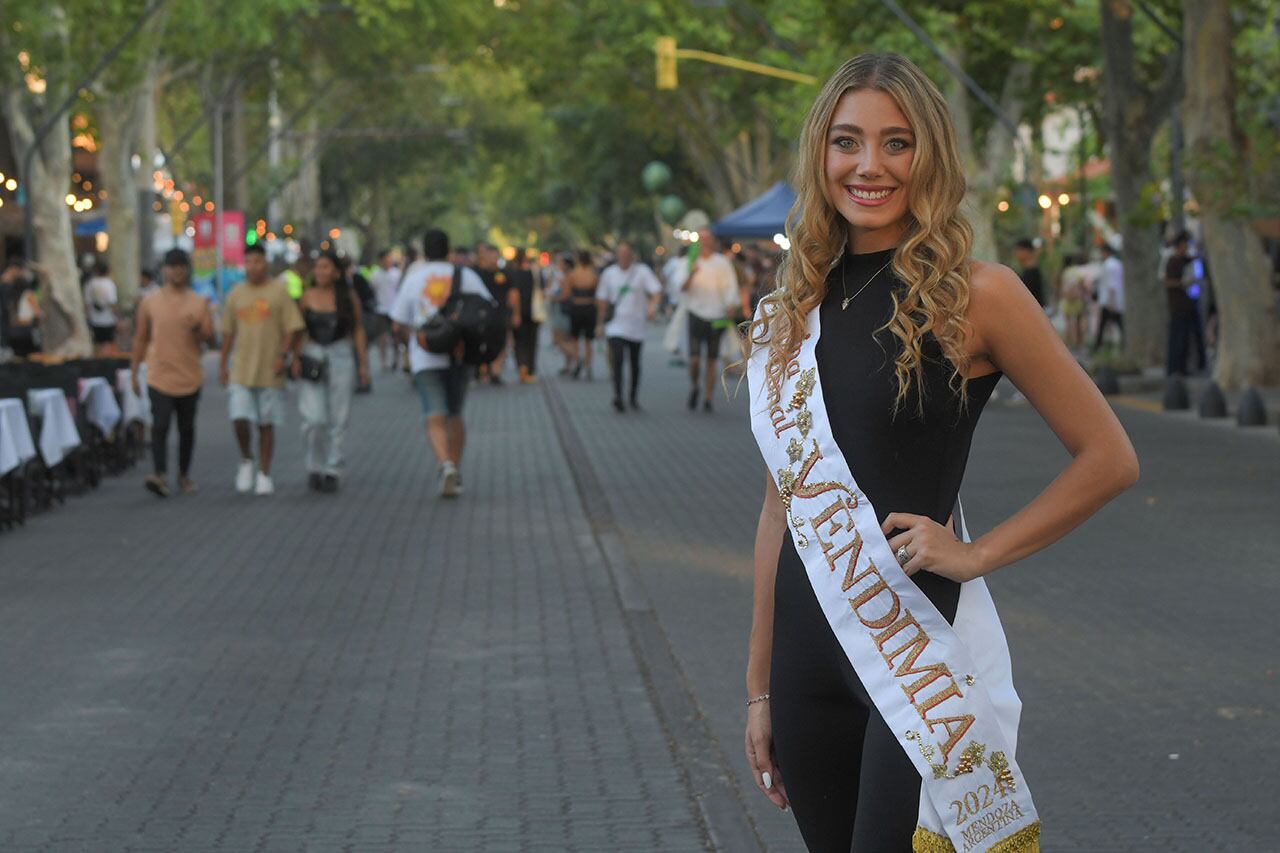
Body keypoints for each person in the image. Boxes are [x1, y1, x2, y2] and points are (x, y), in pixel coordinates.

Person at [742, 53, 1138, 852]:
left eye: (897, 142)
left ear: (931, 156)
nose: (870, 166)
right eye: (848, 141)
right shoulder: (794, 306)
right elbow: (781, 503)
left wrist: (976, 552)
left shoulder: (976, 294)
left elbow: (1107, 455)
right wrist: (758, 690)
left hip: (915, 654)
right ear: (821, 153)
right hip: (805, 660)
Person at [390, 228, 494, 498]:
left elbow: (397, 322)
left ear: (424, 252)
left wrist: (409, 343)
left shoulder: (414, 279)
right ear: (449, 251)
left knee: (434, 415)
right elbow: (489, 309)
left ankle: (444, 464)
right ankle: (455, 470)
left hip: (425, 355)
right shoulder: (466, 276)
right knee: (455, 414)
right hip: (459, 354)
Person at [218, 243, 305, 496]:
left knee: (267, 423)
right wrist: (223, 364)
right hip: (241, 369)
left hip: (270, 369)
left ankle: (265, 472)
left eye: (257, 261)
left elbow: (293, 328)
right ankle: (247, 459)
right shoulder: (235, 294)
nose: (252, 267)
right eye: (248, 262)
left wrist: (284, 355)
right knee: (239, 418)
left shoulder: (279, 292)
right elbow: (227, 332)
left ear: (265, 263)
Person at [131, 249, 215, 497]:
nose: (176, 271)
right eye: (172, 266)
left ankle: (184, 475)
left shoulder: (199, 302)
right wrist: (134, 371)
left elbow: (210, 338)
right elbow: (140, 339)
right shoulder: (149, 302)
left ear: (187, 270)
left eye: (181, 266)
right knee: (160, 424)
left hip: (189, 375)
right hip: (159, 374)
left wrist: (198, 329)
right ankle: (160, 474)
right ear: (164, 270)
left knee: (186, 428)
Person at [293, 249, 369, 493]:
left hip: (341, 355)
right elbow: (297, 330)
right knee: (313, 418)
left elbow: (357, 330)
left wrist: (363, 364)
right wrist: (294, 357)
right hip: (313, 354)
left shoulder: (348, 297)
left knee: (339, 415)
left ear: (336, 272)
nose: (321, 271)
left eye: (326, 267)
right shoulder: (307, 297)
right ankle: (313, 465)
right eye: (318, 267)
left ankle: (332, 467)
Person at [595, 240, 662, 411]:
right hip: (615, 326)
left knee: (634, 363)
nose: (623, 257)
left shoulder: (642, 272)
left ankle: (632, 396)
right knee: (617, 361)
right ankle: (618, 395)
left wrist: (652, 307)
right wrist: (600, 324)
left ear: (632, 255)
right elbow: (602, 300)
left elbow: (656, 291)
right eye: (620, 253)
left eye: (627, 254)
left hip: (636, 326)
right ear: (616, 255)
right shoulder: (609, 274)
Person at [682, 227, 739, 411]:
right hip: (695, 313)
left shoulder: (721, 262)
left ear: (713, 242)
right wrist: (691, 272)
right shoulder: (689, 262)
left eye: (708, 239)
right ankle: (694, 386)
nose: (705, 243)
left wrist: (731, 304)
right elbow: (681, 287)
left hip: (717, 316)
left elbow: (730, 285)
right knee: (695, 359)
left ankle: (708, 398)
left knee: (712, 360)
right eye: (701, 239)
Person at [473, 242, 516, 384]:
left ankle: (495, 372)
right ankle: (483, 370)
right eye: (490, 255)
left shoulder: (504, 273)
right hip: (480, 314)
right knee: (480, 342)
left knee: (501, 343)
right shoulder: (475, 273)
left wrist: (515, 313)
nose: (494, 259)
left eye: (496, 256)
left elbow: (512, 294)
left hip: (500, 314)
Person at [1164, 231, 1206, 376]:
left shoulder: (1187, 260)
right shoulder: (1172, 261)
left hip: (1189, 304)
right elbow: (1167, 282)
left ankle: (1185, 367)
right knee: (1177, 338)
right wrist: (1181, 283)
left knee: (1188, 339)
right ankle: (1174, 368)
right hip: (1177, 306)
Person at [561, 250, 600, 379]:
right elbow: (598, 294)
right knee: (589, 341)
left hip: (576, 307)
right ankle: (588, 366)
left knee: (575, 339)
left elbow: (566, 294)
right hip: (590, 307)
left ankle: (578, 361)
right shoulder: (593, 274)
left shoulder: (572, 275)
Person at [508, 249, 542, 383]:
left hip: (519, 312)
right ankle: (530, 370)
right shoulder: (534, 273)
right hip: (533, 311)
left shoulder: (512, 273)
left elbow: (513, 295)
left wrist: (514, 313)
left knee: (519, 342)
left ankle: (522, 368)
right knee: (532, 341)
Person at [369, 248, 402, 372]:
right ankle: (384, 361)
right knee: (382, 337)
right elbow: (372, 291)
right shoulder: (375, 275)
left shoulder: (396, 274)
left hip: (395, 310)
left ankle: (396, 360)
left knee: (396, 338)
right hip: (381, 310)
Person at [1, 257, 41, 358]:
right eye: (20, 271)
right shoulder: (6, 286)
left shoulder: (10, 286)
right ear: (14, 269)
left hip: (12, 330)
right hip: (11, 328)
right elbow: (7, 309)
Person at [1094, 243, 1126, 351]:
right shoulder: (1117, 264)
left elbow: (1111, 285)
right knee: (1115, 324)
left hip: (1109, 301)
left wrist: (1112, 302)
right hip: (1115, 300)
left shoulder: (1109, 265)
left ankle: (1099, 346)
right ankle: (1102, 345)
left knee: (1105, 325)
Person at [84, 259, 119, 355]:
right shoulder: (109, 284)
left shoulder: (90, 284)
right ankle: (104, 365)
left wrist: (86, 318)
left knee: (95, 344)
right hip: (108, 320)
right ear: (108, 270)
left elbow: (87, 303)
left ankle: (96, 365)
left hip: (94, 319)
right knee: (107, 345)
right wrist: (118, 318)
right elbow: (113, 303)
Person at [1056, 253, 1090, 350]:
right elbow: (1083, 285)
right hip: (1077, 300)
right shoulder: (1077, 272)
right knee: (1078, 322)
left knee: (1068, 322)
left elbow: (1059, 287)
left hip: (1066, 300)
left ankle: (1068, 343)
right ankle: (1079, 342)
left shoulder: (1063, 272)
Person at [1013, 237, 1045, 308]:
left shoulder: (1032, 272)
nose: (1016, 253)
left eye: (1019, 250)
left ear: (1027, 251)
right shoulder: (1028, 271)